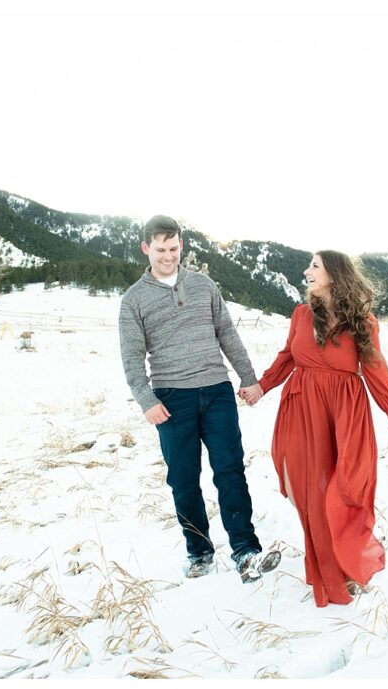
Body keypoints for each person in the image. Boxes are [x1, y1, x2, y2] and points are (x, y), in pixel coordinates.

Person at [239, 250, 388, 606]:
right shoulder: (302, 314)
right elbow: (288, 356)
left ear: (335, 274)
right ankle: (328, 576)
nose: (307, 271)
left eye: (314, 266)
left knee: (343, 492)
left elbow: (376, 370)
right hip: (302, 410)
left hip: (345, 414)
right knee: (312, 493)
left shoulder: (362, 321)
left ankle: (348, 565)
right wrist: (262, 386)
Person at [118, 215, 281, 583]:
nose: (168, 256)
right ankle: (199, 552)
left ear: (181, 246)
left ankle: (246, 551)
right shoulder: (134, 301)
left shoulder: (205, 286)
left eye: (174, 249)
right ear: (146, 248)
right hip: (172, 398)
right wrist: (146, 400)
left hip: (217, 391)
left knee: (230, 471)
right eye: (160, 250)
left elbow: (228, 334)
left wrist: (249, 377)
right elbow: (131, 358)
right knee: (184, 479)